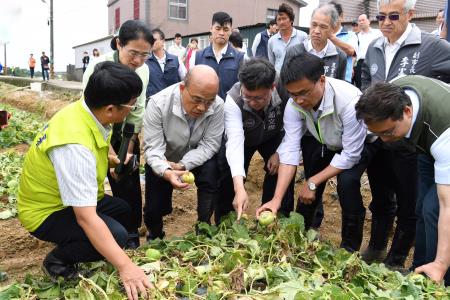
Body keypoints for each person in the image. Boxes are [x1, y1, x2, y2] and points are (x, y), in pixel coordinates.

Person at [17, 61, 152, 299]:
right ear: (111, 109)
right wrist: (125, 267)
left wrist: (112, 159)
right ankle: (57, 261)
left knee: (122, 210)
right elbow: (86, 218)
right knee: (117, 236)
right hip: (46, 210)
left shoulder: (87, 111)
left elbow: (98, 142)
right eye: (131, 105)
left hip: (62, 197)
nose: (133, 109)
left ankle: (86, 245)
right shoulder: (74, 146)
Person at [360, 0, 450, 269]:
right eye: (381, 16)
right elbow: (367, 81)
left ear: (411, 14)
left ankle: (430, 268)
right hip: (403, 138)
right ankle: (410, 261)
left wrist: (442, 262)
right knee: (406, 202)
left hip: (429, 138)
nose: (386, 22)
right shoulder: (378, 52)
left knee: (429, 205)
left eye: (394, 15)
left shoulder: (432, 46)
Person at [256, 53, 371, 253]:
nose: (299, 100)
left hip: (357, 146)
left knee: (347, 185)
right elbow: (291, 149)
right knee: (307, 195)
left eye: (304, 93)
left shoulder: (349, 101)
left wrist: (313, 181)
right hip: (325, 142)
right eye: (293, 94)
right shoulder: (294, 104)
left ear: (322, 80)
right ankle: (299, 240)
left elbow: (351, 155)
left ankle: (348, 250)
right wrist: (276, 200)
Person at [355, 75, 450, 285]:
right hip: (428, 143)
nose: (385, 140)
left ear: (407, 112)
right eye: (377, 134)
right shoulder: (393, 90)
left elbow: (447, 205)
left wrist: (442, 263)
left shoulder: (444, 135)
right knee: (421, 208)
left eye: (388, 132)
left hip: (443, 138)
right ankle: (421, 270)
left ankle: (442, 277)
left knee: (434, 208)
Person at [82, 20, 154, 249]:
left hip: (124, 132)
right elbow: (90, 113)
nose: (138, 60)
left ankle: (131, 233)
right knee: (93, 180)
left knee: (128, 178)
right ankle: (95, 230)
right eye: (133, 53)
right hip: (96, 130)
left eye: (145, 55)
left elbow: (136, 112)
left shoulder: (143, 70)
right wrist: (110, 154)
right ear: (118, 44)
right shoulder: (97, 67)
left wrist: (126, 151)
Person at [143, 65, 224, 240]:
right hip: (165, 159)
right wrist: (166, 170)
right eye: (197, 99)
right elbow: (153, 149)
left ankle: (203, 228)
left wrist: (183, 164)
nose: (202, 107)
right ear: (182, 88)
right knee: (154, 206)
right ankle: (155, 235)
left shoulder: (218, 106)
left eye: (209, 101)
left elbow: (210, 144)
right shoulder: (158, 104)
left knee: (212, 173)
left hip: (196, 157)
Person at [215, 58, 294, 223]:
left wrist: (280, 153)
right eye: (247, 97)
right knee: (228, 176)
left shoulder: (285, 88)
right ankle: (226, 223)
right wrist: (239, 187)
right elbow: (235, 142)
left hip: (273, 135)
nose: (252, 103)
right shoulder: (233, 99)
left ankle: (275, 218)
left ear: (272, 88)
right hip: (243, 139)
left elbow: (294, 129)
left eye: (258, 98)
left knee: (281, 168)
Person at [285, 4, 347, 80]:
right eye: (314, 25)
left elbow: (339, 87)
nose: (317, 31)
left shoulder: (340, 57)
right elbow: (284, 86)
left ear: (332, 30)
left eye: (323, 27)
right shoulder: (294, 52)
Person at [194, 11, 244, 100]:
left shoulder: (240, 58)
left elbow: (242, 88)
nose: (221, 33)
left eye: (225, 29)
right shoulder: (198, 56)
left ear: (231, 31)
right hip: (204, 108)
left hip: (229, 109)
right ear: (211, 29)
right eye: (218, 28)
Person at [145, 28, 186, 99]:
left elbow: (186, 79)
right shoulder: (145, 62)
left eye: (154, 40)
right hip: (153, 104)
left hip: (173, 102)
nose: (151, 42)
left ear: (163, 41)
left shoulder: (176, 60)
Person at [268, 3, 307, 73]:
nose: (281, 22)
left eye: (284, 18)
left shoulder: (302, 37)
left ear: (291, 20)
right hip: (278, 81)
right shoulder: (272, 41)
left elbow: (307, 60)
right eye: (279, 19)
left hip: (297, 79)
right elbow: (271, 64)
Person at [328, 1, 359, 83]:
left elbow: (351, 51)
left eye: (333, 15)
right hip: (324, 79)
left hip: (344, 80)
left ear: (341, 16)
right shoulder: (322, 33)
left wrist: (331, 37)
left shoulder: (351, 35)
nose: (330, 18)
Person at [353, 14, 382, 89]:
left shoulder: (378, 33)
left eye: (363, 20)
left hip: (375, 60)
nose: (361, 22)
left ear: (369, 21)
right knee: (361, 85)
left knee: (376, 83)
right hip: (360, 63)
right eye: (359, 21)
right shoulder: (356, 36)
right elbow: (354, 53)